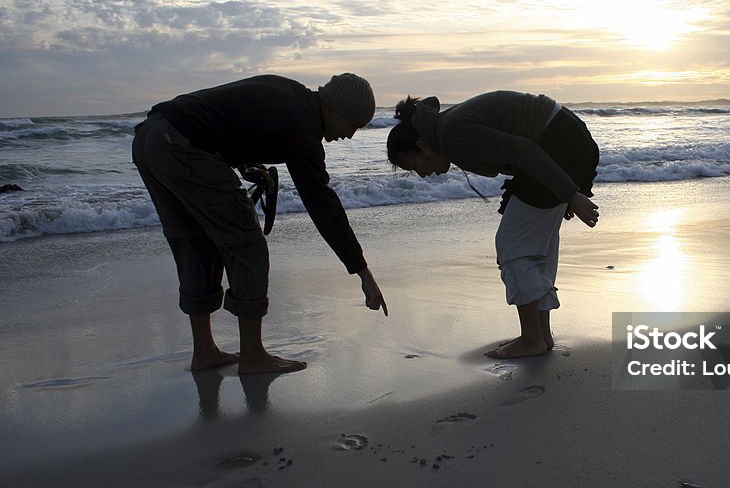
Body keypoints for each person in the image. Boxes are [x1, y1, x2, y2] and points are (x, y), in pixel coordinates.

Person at [133, 73, 388, 375]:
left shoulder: (289, 95)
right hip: (181, 144)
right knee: (247, 245)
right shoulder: (303, 124)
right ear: (338, 109)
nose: (350, 135)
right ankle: (253, 356)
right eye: (354, 124)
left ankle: (205, 353)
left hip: (150, 137)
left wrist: (244, 163)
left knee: (195, 242)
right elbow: (321, 203)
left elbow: (228, 121)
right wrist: (363, 271)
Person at [387, 90, 599, 359]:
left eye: (414, 165)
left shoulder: (452, 135)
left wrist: (571, 194)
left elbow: (523, 150)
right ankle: (541, 335)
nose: (422, 174)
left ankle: (532, 337)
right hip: (567, 140)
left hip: (557, 146)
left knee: (513, 245)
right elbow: (509, 155)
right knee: (538, 245)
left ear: (424, 146)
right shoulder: (447, 129)